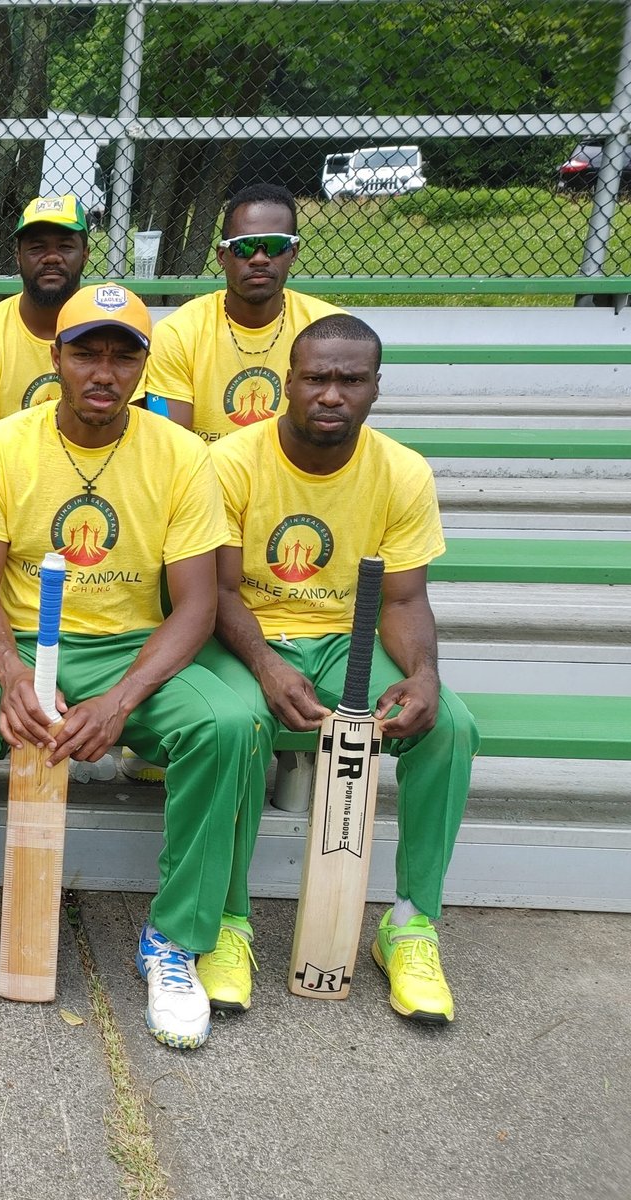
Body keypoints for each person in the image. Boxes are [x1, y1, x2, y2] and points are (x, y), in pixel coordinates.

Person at [0, 283, 252, 1050]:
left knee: (230, 723)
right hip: (20, 642)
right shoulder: (3, 445)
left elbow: (197, 605)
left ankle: (175, 941)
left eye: (122, 355)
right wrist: (8, 672)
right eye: (86, 353)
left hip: (131, 649)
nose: (102, 372)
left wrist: (122, 699)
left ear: (144, 366)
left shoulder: (180, 454)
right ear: (56, 358)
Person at [197, 313, 477, 1024]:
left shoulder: (401, 471)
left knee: (449, 727)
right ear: (286, 383)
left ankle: (409, 925)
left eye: (350, 380)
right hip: (248, 636)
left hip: (346, 641)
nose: (331, 393)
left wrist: (424, 674)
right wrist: (262, 665)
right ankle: (227, 923)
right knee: (232, 725)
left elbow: (406, 599)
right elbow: (220, 592)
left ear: (375, 388)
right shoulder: (231, 461)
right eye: (316, 377)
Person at [142, 183, 341, 443]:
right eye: (244, 247)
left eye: (274, 245)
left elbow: (328, 443)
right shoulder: (179, 333)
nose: (259, 258)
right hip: (206, 478)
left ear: (293, 253)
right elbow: (173, 446)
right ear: (223, 256)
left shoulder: (328, 330)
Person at [0, 194, 90, 465]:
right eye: (37, 248)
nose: (51, 258)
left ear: (85, 255)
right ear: (18, 257)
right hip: (11, 486)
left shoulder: (111, 332)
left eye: (64, 246)